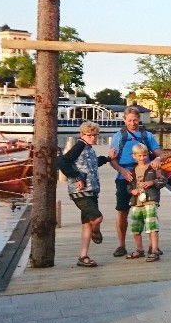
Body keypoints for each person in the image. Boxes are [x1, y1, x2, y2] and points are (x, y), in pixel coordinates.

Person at [110, 106, 163, 257]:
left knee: (149, 210)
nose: (133, 123)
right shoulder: (118, 136)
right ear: (124, 120)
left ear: (139, 119)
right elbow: (112, 160)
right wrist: (122, 170)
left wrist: (158, 159)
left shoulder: (147, 135)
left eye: (135, 120)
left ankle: (153, 247)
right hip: (125, 177)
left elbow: (159, 154)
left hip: (145, 175)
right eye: (129, 120)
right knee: (122, 211)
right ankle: (121, 245)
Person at [57, 122, 111, 268]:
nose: (93, 138)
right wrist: (77, 177)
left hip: (92, 190)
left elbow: (93, 164)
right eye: (90, 135)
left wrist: (107, 159)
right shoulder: (80, 145)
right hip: (80, 192)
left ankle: (83, 256)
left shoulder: (89, 149)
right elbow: (62, 161)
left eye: (95, 135)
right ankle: (96, 232)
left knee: (87, 223)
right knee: (97, 218)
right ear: (82, 135)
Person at [125, 143, 166, 262]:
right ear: (134, 156)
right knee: (135, 227)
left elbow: (163, 181)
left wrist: (152, 183)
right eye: (139, 156)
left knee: (152, 225)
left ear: (147, 155)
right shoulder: (132, 171)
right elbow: (128, 187)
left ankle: (154, 250)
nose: (142, 158)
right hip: (136, 202)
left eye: (144, 155)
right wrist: (132, 191)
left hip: (150, 200)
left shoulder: (153, 167)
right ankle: (139, 249)